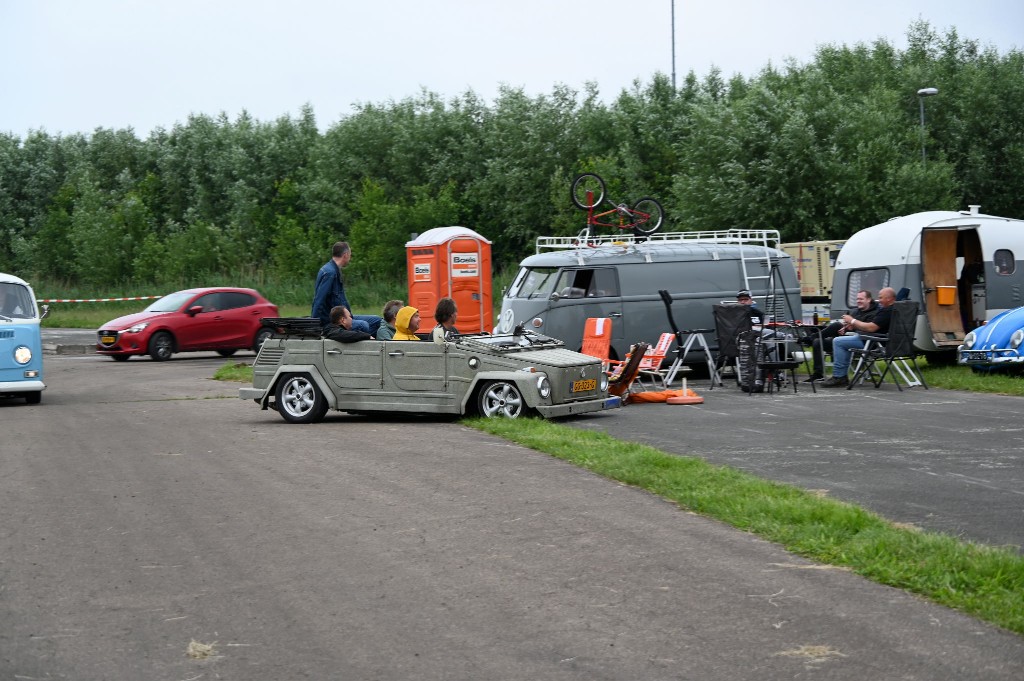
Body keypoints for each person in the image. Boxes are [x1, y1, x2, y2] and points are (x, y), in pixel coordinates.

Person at [821, 287, 897, 387]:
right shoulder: (896, 309)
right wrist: (854, 326)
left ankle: (839, 377)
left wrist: (852, 320)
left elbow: (871, 328)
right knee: (841, 339)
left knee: (838, 341)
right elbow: (875, 326)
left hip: (873, 341)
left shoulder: (886, 311)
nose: (878, 300)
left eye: (881, 297)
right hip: (884, 341)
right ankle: (840, 376)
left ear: (888, 298)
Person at [804, 290, 878, 381]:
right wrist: (846, 328)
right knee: (818, 342)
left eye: (861, 299)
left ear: (869, 300)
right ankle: (818, 373)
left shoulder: (875, 313)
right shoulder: (854, 311)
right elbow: (848, 325)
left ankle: (809, 339)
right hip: (843, 339)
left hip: (859, 342)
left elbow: (868, 328)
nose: (858, 301)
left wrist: (853, 325)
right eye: (857, 299)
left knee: (836, 326)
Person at [311, 241, 382, 336]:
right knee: (363, 325)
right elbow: (319, 300)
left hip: (345, 316)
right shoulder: (330, 273)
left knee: (377, 320)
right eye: (350, 255)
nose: (350, 258)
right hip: (334, 321)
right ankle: (360, 343)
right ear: (345, 255)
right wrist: (314, 325)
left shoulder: (333, 270)